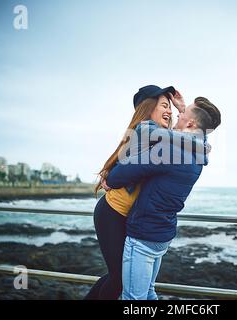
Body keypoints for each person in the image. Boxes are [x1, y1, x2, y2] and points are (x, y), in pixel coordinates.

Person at [105, 96, 221, 300]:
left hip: (143, 235)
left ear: (191, 123)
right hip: (162, 235)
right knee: (148, 293)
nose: (177, 113)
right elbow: (199, 132)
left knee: (133, 298)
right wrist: (187, 111)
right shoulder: (199, 152)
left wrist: (110, 178)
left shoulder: (170, 150)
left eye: (182, 114)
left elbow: (118, 176)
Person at [84, 85, 176, 300]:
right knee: (119, 279)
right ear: (148, 108)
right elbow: (187, 138)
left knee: (117, 276)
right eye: (164, 105)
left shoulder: (156, 137)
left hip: (130, 217)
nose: (170, 111)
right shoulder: (146, 132)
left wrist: (179, 108)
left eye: (170, 107)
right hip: (112, 213)